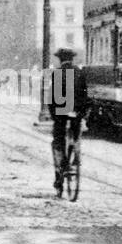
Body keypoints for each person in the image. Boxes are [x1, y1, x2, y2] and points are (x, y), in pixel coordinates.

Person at [48, 48, 87, 194]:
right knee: (76, 133)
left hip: (61, 112)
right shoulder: (80, 72)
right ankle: (75, 151)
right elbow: (85, 95)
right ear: (72, 59)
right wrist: (82, 113)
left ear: (60, 59)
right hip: (76, 111)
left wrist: (53, 115)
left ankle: (62, 166)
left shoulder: (57, 73)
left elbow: (52, 98)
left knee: (58, 138)